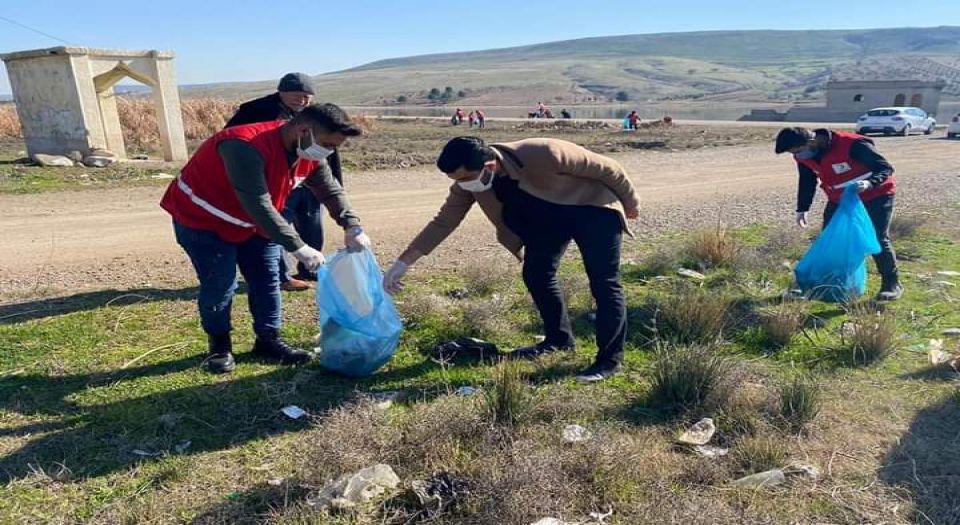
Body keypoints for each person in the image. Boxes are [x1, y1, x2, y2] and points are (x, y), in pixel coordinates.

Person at [383, 137, 640, 382]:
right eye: (456, 180)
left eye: (465, 178)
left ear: (490, 166)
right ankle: (559, 341)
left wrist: (631, 203)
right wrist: (402, 264)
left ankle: (609, 361)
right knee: (536, 274)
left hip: (593, 211)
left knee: (603, 282)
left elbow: (609, 168)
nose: (462, 185)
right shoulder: (468, 183)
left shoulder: (544, 152)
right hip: (549, 222)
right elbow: (443, 222)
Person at [160, 103, 371, 373]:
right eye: (328, 145)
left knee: (267, 280)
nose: (329, 152)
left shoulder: (309, 152)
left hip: (257, 223)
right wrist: (299, 247)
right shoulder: (243, 145)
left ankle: (268, 341)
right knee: (220, 285)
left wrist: (352, 225)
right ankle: (219, 347)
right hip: (205, 220)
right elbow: (258, 204)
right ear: (303, 131)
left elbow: (330, 190)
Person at [226, 73, 346, 292]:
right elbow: (234, 142)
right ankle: (281, 276)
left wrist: (335, 183)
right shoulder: (255, 111)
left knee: (312, 225)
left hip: (309, 179)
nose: (302, 100)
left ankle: (311, 268)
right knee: (274, 227)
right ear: (281, 92)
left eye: (307, 96)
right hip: (275, 181)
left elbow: (329, 154)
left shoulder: (317, 116)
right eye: (297, 95)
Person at [775, 127, 903, 301]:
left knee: (877, 238)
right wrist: (802, 208)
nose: (797, 155)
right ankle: (826, 283)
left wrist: (869, 183)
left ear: (811, 142)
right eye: (793, 153)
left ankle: (891, 284)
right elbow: (807, 180)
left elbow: (885, 168)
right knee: (830, 240)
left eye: (797, 150)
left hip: (876, 195)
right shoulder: (803, 156)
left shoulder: (852, 144)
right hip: (840, 199)